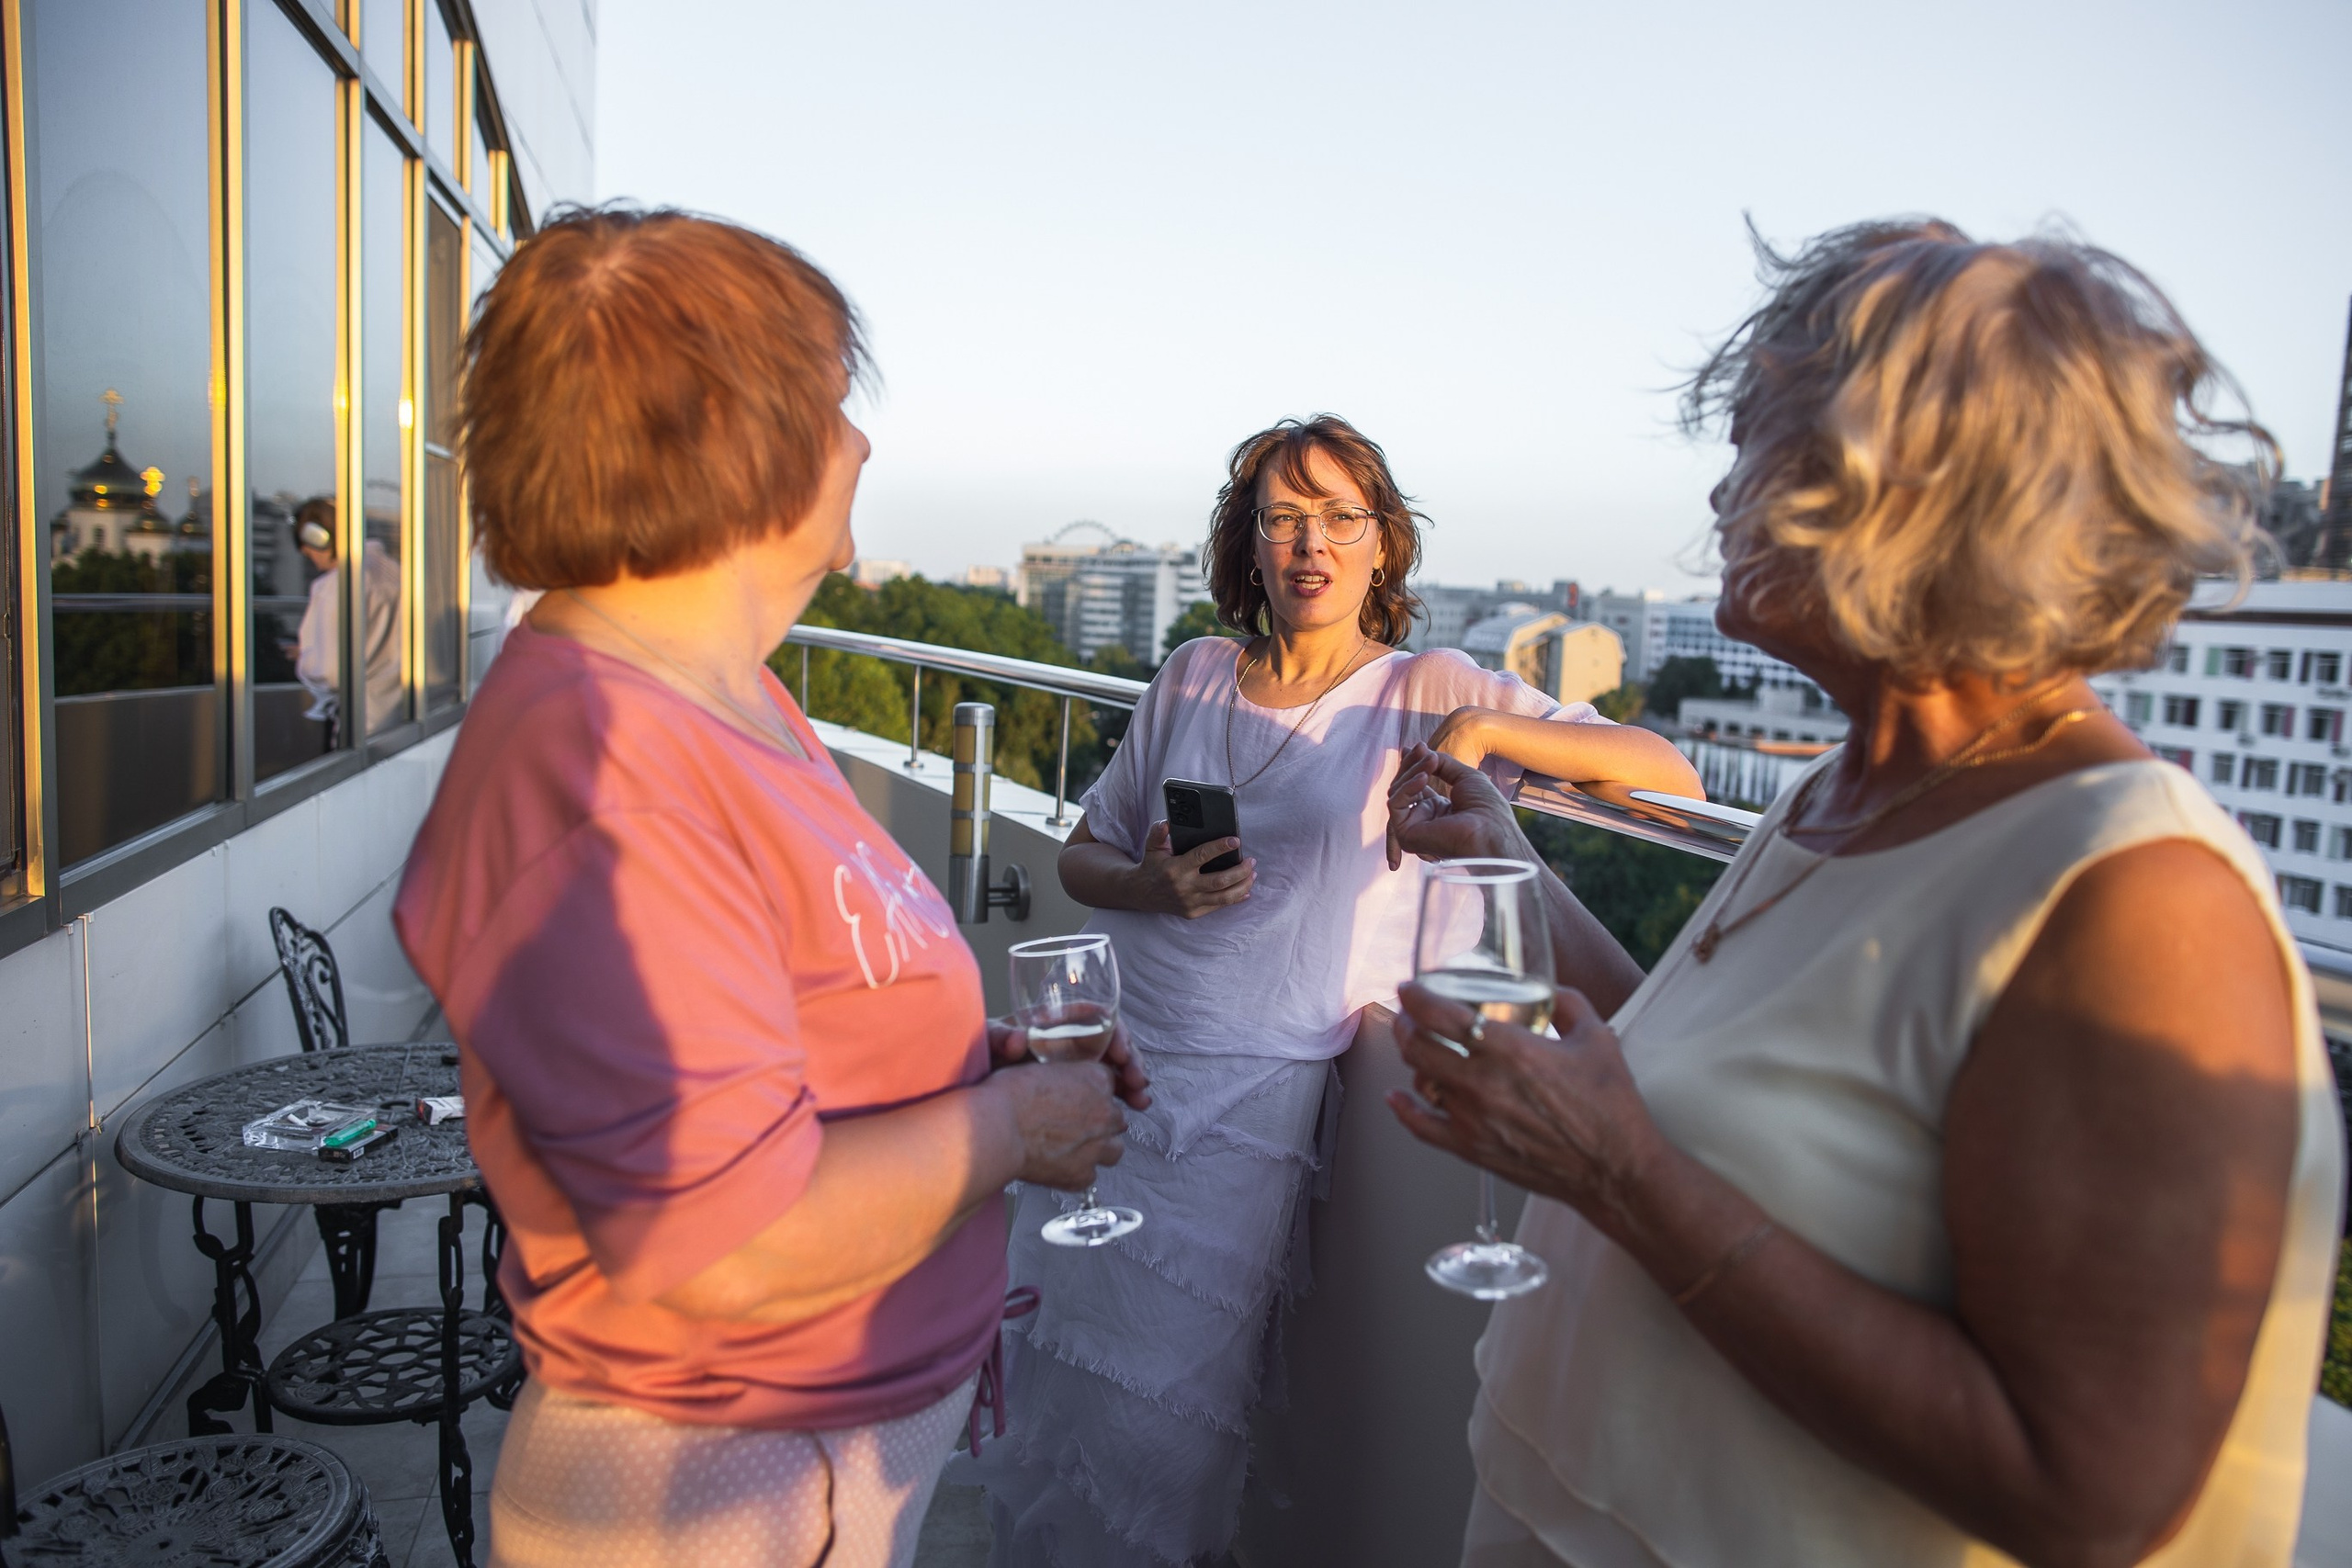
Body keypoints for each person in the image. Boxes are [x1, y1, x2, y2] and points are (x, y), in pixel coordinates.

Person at [1380, 220, 2346, 1568]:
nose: (1718, 492)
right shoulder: (1851, 786)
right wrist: (1509, 858)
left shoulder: (2134, 896)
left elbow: (2087, 1497)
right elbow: (1698, 1057)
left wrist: (1618, 1174)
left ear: (1904, 494)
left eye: (1754, 448)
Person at [392, 207, 1147, 1568]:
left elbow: (779, 1004)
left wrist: (969, 1061)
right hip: (717, 1490)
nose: (860, 442)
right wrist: (1014, 1121)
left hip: (806, 1467)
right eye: (836, 402)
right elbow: (718, 1241)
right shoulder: (599, 765)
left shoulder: (724, 696)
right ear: (737, 435)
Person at [960, 415, 1702, 1566]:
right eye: (1284, 518)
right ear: (1248, 544)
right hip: (1117, 1058)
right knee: (1058, 1361)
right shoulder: (1192, 673)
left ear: (1383, 543)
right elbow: (1081, 856)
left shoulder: (1426, 687)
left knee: (1166, 1420)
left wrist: (1485, 727)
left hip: (1250, 1098)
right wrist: (1153, 885)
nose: (1312, 544)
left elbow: (1669, 773)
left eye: (1341, 517)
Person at [290, 498, 402, 739]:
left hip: (363, 720)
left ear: (320, 537)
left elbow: (331, 672)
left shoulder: (336, 585)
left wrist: (307, 657)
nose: (308, 554)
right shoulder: (394, 571)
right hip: (401, 711)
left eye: (307, 547)